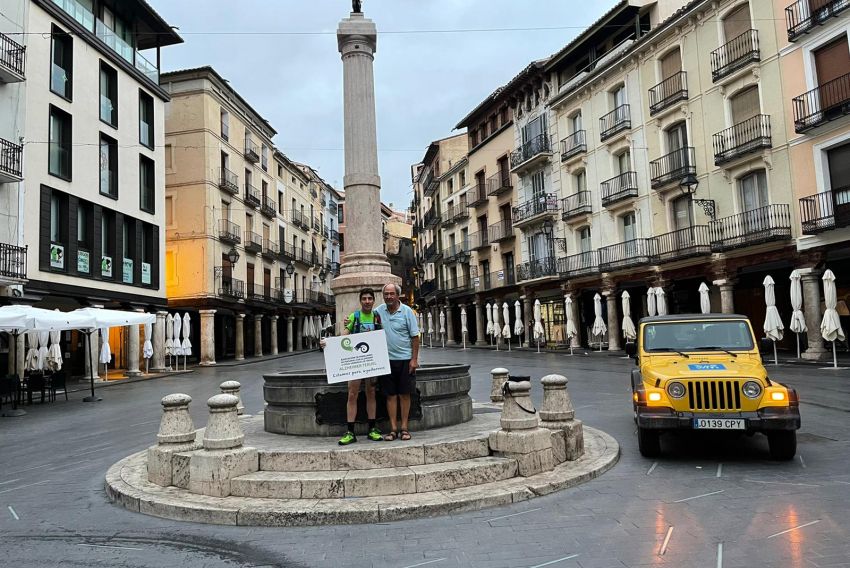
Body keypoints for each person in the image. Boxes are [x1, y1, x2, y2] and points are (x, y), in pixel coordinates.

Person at [321, 287, 384, 445]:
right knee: (352, 394)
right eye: (364, 299)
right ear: (360, 300)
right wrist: (329, 344)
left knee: (371, 393)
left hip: (371, 362)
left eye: (370, 298)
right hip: (355, 363)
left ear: (373, 300)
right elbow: (344, 337)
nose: (367, 301)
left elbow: (381, 336)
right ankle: (350, 432)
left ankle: (372, 429)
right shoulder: (354, 317)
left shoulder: (377, 317)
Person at [374, 283, 420, 441]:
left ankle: (405, 428)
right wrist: (349, 320)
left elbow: (415, 337)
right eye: (386, 294)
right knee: (390, 396)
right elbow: (364, 318)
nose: (388, 296)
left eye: (391, 294)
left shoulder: (407, 312)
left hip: (405, 360)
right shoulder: (379, 311)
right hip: (386, 361)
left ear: (397, 295)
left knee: (405, 395)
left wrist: (414, 359)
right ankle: (393, 429)